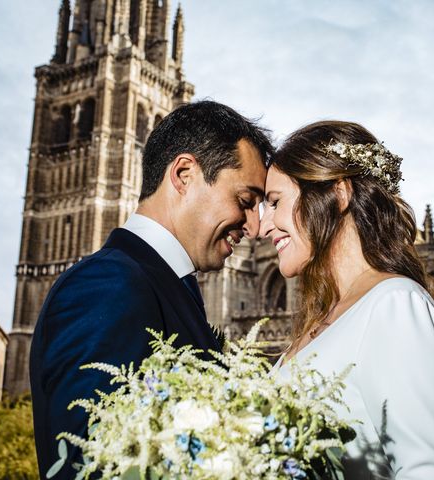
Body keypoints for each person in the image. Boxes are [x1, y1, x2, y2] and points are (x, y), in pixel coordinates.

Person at [30, 101, 272, 479]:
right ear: (184, 174)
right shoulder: (108, 286)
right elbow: (85, 463)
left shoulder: (168, 286)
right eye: (245, 202)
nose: (256, 228)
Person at [260, 120, 434, 478]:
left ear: (338, 194)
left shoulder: (395, 306)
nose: (263, 227)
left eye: (275, 202)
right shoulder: (324, 318)